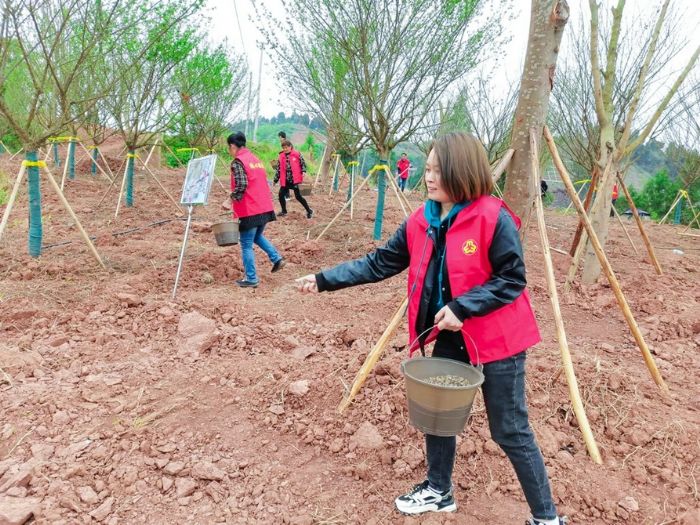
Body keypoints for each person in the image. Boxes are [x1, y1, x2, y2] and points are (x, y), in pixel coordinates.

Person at [295, 132, 566, 525]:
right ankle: (439, 491)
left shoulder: (493, 216)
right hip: (451, 335)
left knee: (509, 429)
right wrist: (322, 279)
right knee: (439, 413)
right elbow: (379, 263)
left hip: (498, 341)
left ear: (462, 171)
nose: (429, 177)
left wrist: (463, 305)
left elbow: (512, 278)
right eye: (429, 168)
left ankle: (546, 518)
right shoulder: (422, 220)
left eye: (440, 169)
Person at [228, 131, 286, 288]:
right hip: (264, 207)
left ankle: (251, 278)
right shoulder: (255, 159)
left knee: (246, 244)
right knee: (257, 236)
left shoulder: (238, 162)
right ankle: (276, 258)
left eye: (229, 148)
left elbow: (241, 185)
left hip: (250, 209)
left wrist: (229, 200)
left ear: (233, 146)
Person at [274, 139, 313, 218]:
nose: (285, 149)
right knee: (281, 195)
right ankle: (284, 211)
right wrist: (275, 179)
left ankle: (309, 211)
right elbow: (278, 169)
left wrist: (304, 171)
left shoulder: (297, 154)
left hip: (295, 180)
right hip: (285, 180)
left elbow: (303, 164)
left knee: (298, 197)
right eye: (283, 148)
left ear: (290, 147)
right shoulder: (281, 156)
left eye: (286, 147)